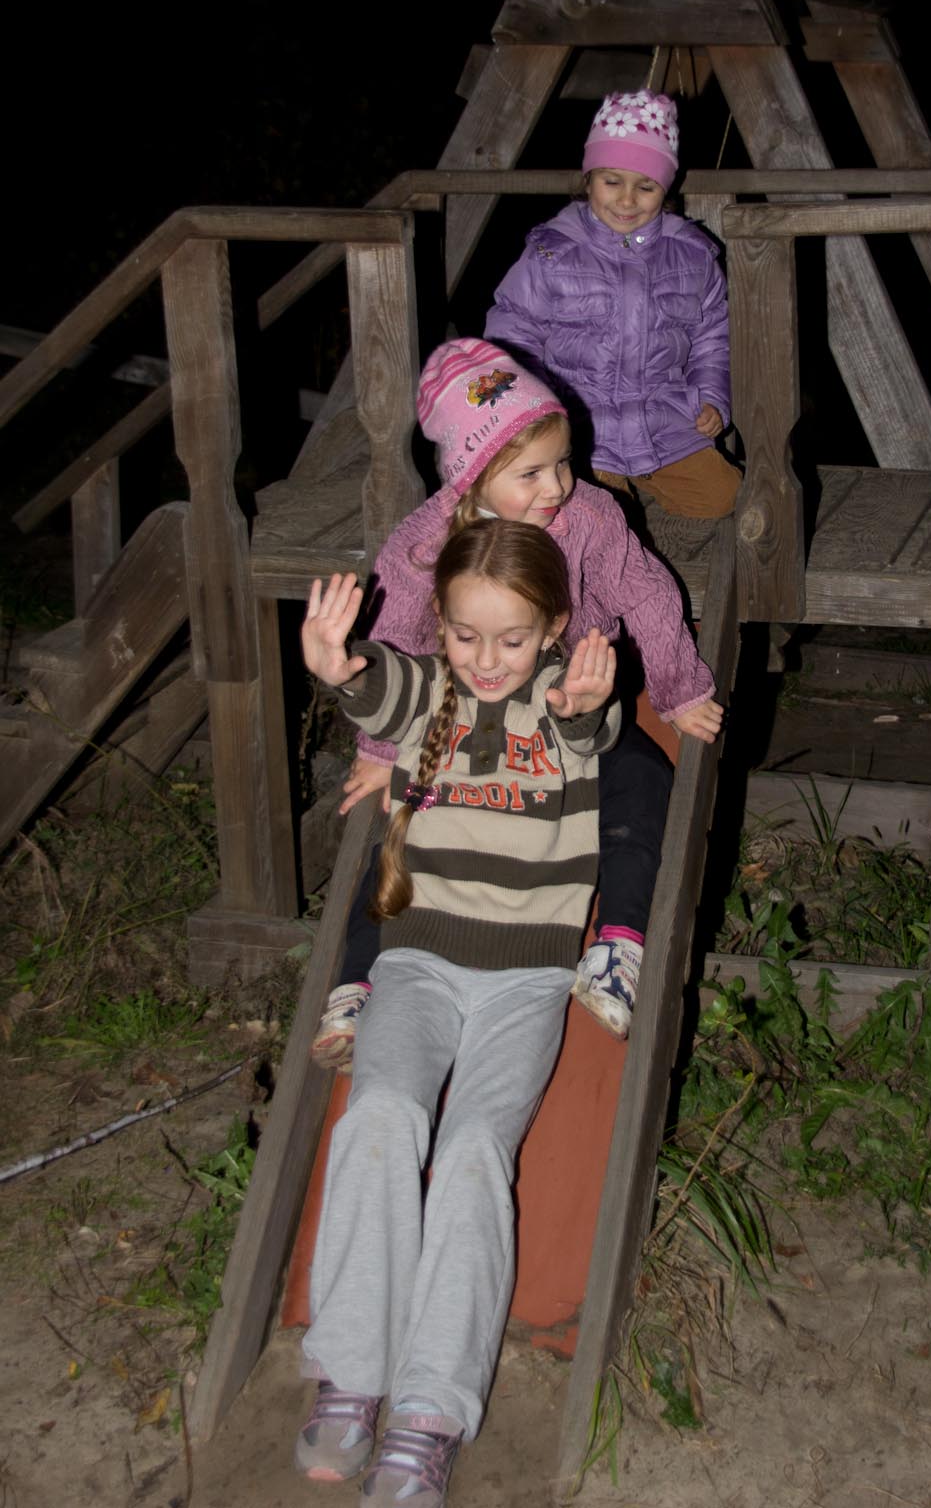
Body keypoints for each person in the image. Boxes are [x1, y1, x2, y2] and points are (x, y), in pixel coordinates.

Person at [295, 520, 618, 1501]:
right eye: (466, 634)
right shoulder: (430, 689)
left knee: (476, 1147)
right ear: (438, 621)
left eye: (511, 638)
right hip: (416, 962)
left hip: (525, 981)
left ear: (551, 628)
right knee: (380, 1113)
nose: (486, 659)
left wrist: (581, 699)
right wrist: (335, 667)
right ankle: (353, 1371)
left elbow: (584, 723)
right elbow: (375, 685)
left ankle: (430, 1410)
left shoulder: (562, 700)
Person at [314, 337, 723, 1063]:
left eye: (563, 462)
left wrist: (678, 685)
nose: (556, 485)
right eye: (530, 472)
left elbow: (646, 591)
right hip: (463, 707)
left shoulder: (590, 517)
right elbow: (394, 638)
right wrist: (381, 746)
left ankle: (618, 944)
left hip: (574, 703)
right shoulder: (425, 543)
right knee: (406, 813)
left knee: (641, 777)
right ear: (471, 474)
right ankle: (357, 981)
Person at [486, 87, 741, 522]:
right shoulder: (552, 252)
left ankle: (641, 478)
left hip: (666, 422)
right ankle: (609, 493)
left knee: (724, 498)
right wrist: (529, 409)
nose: (626, 200)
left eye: (646, 186)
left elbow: (713, 339)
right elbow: (513, 331)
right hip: (582, 429)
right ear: (588, 180)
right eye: (612, 182)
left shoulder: (692, 256)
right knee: (601, 517)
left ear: (665, 187)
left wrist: (712, 397)